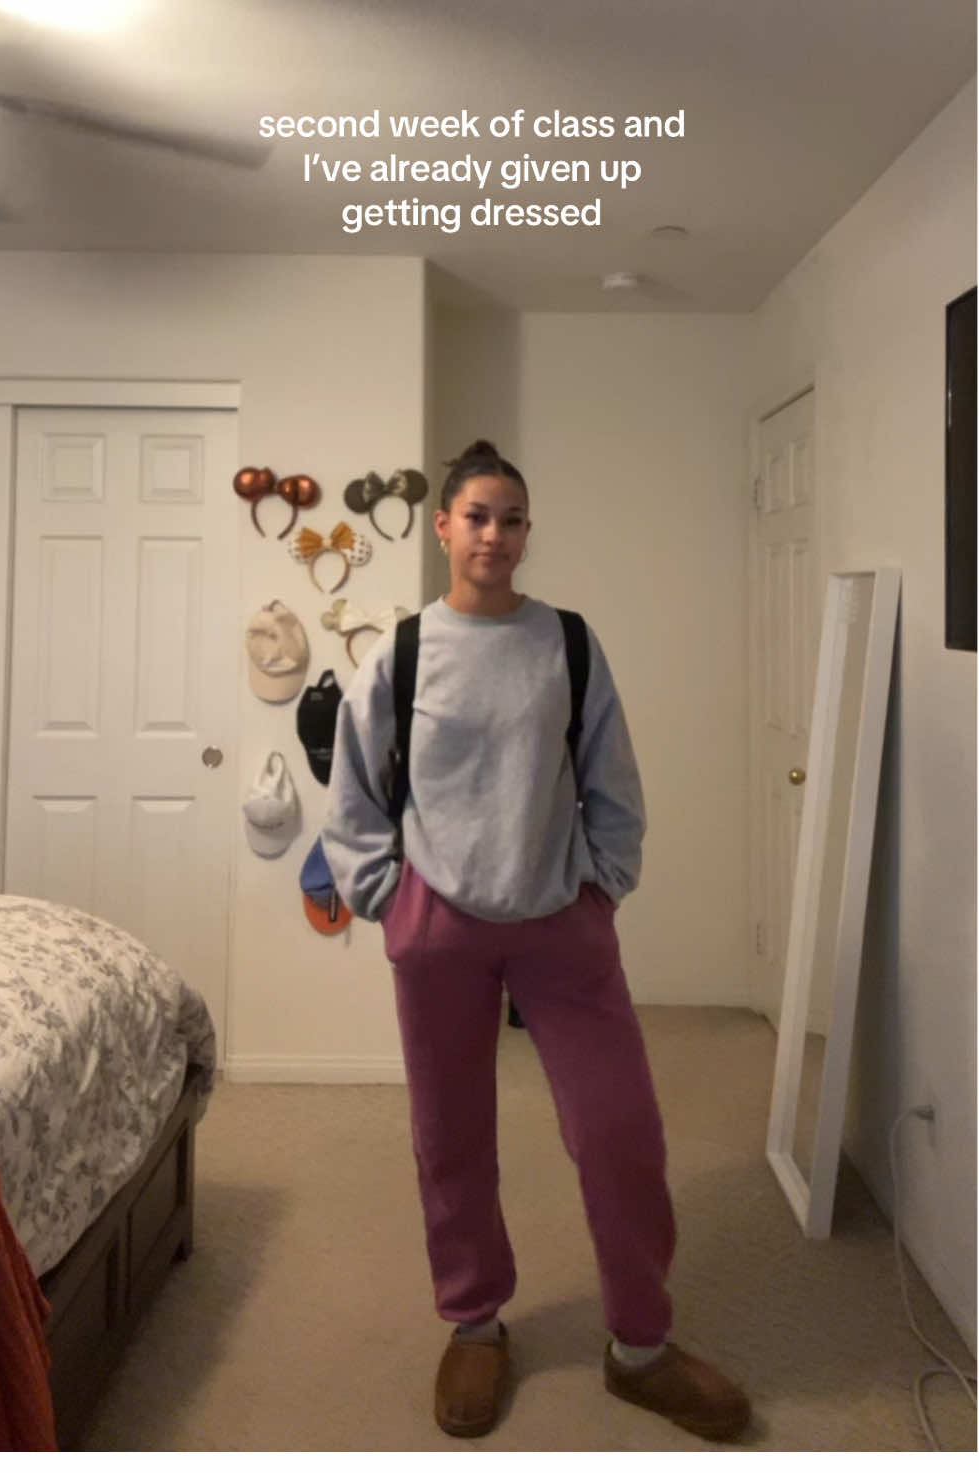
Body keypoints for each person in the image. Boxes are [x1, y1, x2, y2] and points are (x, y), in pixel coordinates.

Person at [322, 440, 751, 1443]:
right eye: (477, 516)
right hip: (440, 929)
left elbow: (612, 776)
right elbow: (353, 789)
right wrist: (389, 899)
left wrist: (603, 886)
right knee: (451, 1134)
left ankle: (641, 1345)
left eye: (511, 519)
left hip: (561, 922)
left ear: (526, 532)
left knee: (621, 1132)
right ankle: (474, 1322)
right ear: (443, 526)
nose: (495, 534)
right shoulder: (404, 652)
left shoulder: (567, 642)